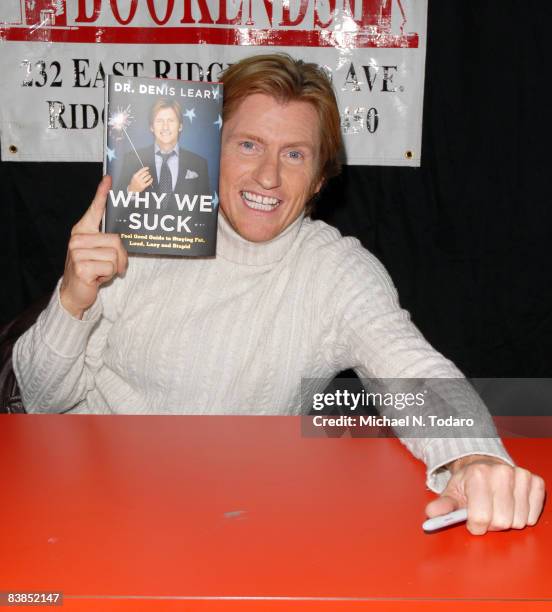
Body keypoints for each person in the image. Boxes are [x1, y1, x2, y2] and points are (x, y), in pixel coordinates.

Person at [13, 54, 545, 535]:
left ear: (318, 179)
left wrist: (476, 459)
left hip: (238, 523)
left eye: (294, 154)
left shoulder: (332, 271)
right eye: (249, 145)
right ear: (213, 150)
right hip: (94, 511)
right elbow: (40, 400)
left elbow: (415, 373)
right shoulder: (139, 232)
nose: (267, 176)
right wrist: (72, 297)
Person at [114, 98, 210, 211]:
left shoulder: (199, 163)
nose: (165, 127)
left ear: (180, 126)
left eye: (171, 121)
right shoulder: (132, 159)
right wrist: (131, 190)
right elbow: (115, 209)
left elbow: (205, 212)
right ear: (151, 127)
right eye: (159, 121)